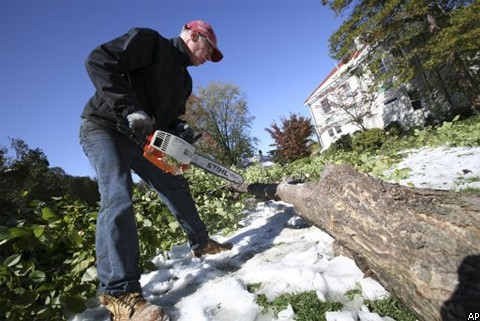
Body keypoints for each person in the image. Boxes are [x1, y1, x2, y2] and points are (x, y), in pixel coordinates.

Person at [79, 20, 232, 321]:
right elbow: (99, 60)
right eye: (208, 49)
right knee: (118, 193)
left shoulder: (184, 82)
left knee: (174, 184)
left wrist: (180, 128)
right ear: (192, 35)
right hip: (104, 127)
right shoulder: (151, 43)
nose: (207, 57)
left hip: (141, 139)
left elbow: (165, 119)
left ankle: (200, 242)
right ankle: (120, 293)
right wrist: (128, 108)